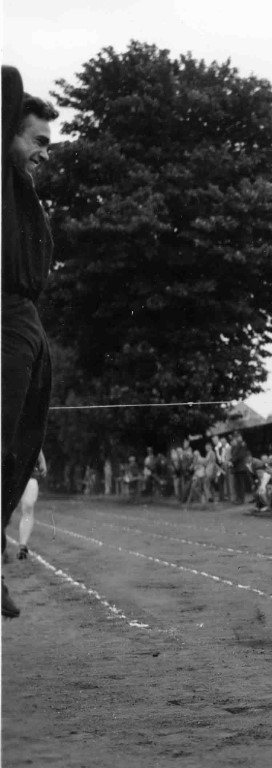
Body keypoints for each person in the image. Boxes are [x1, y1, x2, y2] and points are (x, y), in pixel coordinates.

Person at [2, 68, 59, 619]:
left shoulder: (24, 192)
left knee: (22, 444)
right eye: (37, 140)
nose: (45, 151)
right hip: (6, 316)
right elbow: (7, 80)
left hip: (27, 321)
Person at [11, 451, 46, 565]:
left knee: (28, 505)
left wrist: (42, 460)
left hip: (29, 471)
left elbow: (36, 442)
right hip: (7, 470)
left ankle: (22, 546)